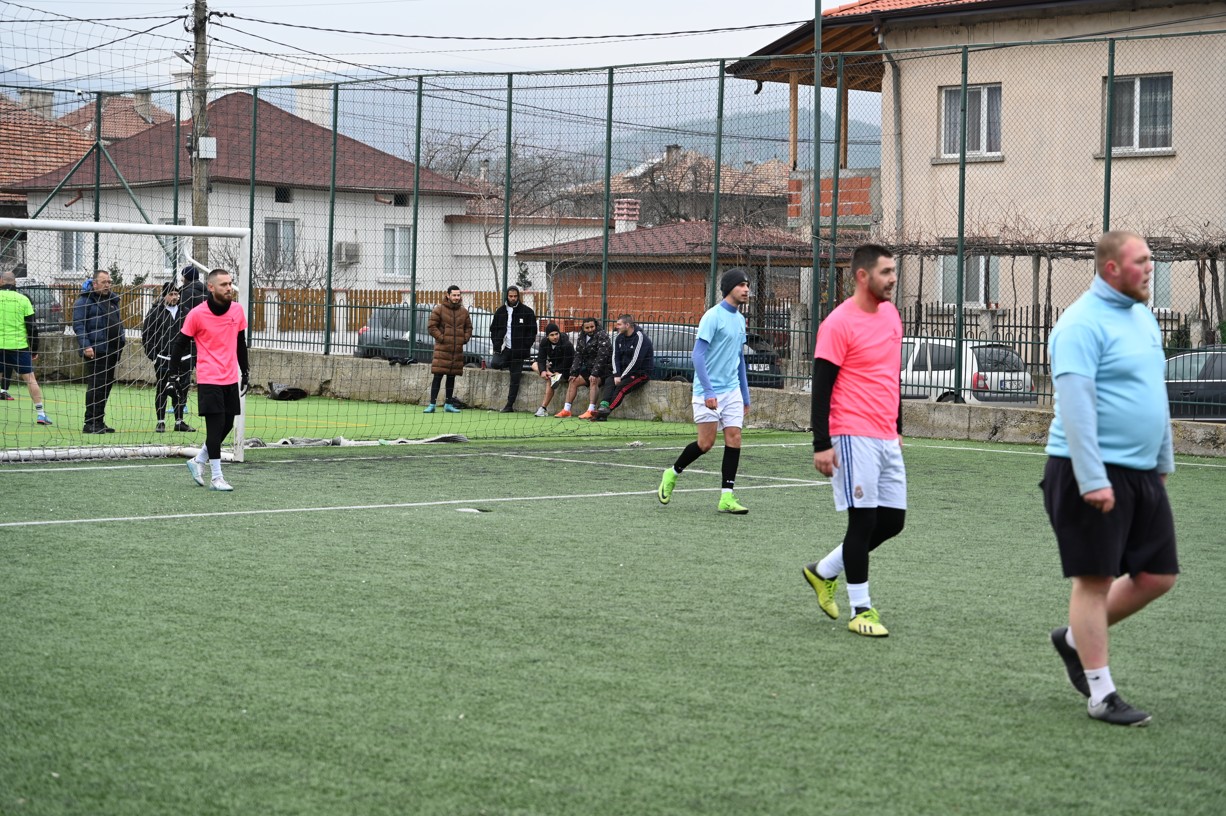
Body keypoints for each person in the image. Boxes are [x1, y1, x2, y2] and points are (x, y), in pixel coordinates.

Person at [1042, 231, 1177, 727]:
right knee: (1095, 580)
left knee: (1158, 575)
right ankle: (1101, 694)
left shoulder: (1142, 316)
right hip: (1087, 470)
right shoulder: (1080, 324)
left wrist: (1162, 461)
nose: (1150, 268)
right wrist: (1092, 479)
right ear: (1111, 268)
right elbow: (1075, 409)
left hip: (1142, 472)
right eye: (1141, 261)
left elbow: (1154, 393)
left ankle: (1074, 638)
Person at [802, 244, 905, 639]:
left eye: (893, 270)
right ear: (863, 276)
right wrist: (821, 444)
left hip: (885, 434)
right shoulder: (838, 323)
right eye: (886, 272)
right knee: (862, 521)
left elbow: (890, 374)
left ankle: (824, 571)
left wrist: (897, 425)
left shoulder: (891, 315)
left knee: (892, 521)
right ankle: (860, 610)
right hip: (850, 433)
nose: (893, 278)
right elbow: (821, 388)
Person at [657, 269, 752, 514]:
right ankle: (672, 472)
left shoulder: (740, 320)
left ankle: (726, 497)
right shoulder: (712, 316)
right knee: (705, 443)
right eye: (741, 285)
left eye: (748, 285)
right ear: (729, 288)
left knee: (734, 438)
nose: (746, 290)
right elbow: (697, 355)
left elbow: (739, 359)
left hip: (732, 391)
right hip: (707, 391)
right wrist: (709, 391)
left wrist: (745, 394)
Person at [169, 267, 249, 492]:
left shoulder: (237, 311)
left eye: (230, 283)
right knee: (215, 429)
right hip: (209, 379)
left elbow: (240, 343)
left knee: (227, 425)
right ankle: (216, 477)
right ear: (211, 287)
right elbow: (179, 344)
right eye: (224, 285)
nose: (229, 288)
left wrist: (245, 372)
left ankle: (198, 460)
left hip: (230, 378)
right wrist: (172, 375)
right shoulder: (197, 314)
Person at [73, 269, 125, 434]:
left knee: (106, 387)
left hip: (112, 351)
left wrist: (121, 341)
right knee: (96, 386)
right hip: (96, 351)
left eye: (109, 282)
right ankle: (89, 423)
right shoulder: (84, 301)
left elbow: (118, 323)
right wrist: (86, 346)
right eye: (104, 282)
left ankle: (99, 421)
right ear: (95, 284)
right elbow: (79, 325)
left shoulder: (112, 300)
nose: (107, 285)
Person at [141, 281, 195, 432]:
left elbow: (194, 335)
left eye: (176, 294)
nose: (174, 297)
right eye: (171, 294)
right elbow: (147, 335)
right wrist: (154, 356)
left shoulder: (186, 312)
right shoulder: (155, 312)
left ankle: (179, 421)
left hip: (184, 359)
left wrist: (192, 357)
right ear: (164, 296)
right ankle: (161, 422)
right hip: (164, 359)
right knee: (162, 389)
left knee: (182, 389)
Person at [0, 270, 51, 425]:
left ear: (1, 282)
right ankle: (41, 414)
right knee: (30, 380)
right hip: (19, 347)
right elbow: (32, 327)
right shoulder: (23, 300)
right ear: (15, 283)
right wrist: (34, 350)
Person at [590, 314, 652, 421]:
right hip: (623, 372)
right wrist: (616, 374)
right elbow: (615, 357)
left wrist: (622, 376)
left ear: (627, 325)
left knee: (621, 387)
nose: (616, 327)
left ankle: (605, 412)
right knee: (609, 380)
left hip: (640, 373)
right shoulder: (619, 337)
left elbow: (636, 361)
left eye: (619, 324)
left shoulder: (640, 337)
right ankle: (603, 406)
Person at [425, 285, 472, 413]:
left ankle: (448, 404)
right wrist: (442, 338)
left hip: (456, 351)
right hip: (442, 349)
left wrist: (464, 339)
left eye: (458, 295)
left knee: (451, 377)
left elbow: (469, 328)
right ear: (448, 295)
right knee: (438, 376)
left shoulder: (464, 312)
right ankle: (432, 404)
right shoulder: (439, 309)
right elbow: (431, 327)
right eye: (454, 295)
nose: (456, 297)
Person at [488, 285, 536, 413]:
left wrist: (526, 345)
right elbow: (493, 329)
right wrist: (496, 344)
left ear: (518, 297)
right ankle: (509, 364)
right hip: (505, 349)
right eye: (511, 296)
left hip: (519, 351)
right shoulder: (500, 311)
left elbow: (532, 332)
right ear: (507, 296)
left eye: (515, 296)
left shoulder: (527, 312)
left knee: (515, 378)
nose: (513, 298)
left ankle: (509, 405)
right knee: (495, 363)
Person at [557, 317, 612, 418]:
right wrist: (574, 372)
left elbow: (602, 356)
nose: (590, 329)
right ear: (583, 328)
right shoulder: (581, 337)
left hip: (604, 369)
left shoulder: (602, 335)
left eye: (592, 327)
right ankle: (566, 410)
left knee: (593, 380)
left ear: (596, 326)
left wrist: (594, 373)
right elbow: (578, 355)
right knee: (573, 381)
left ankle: (591, 410)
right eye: (587, 328)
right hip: (589, 368)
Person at [532, 323, 574, 417]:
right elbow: (541, 358)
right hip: (552, 370)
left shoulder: (566, 344)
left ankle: (543, 408)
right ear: (547, 336)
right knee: (534, 365)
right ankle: (550, 375)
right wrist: (543, 371)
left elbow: (568, 362)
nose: (555, 337)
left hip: (566, 370)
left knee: (550, 380)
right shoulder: (544, 342)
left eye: (556, 334)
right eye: (552, 335)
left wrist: (557, 372)